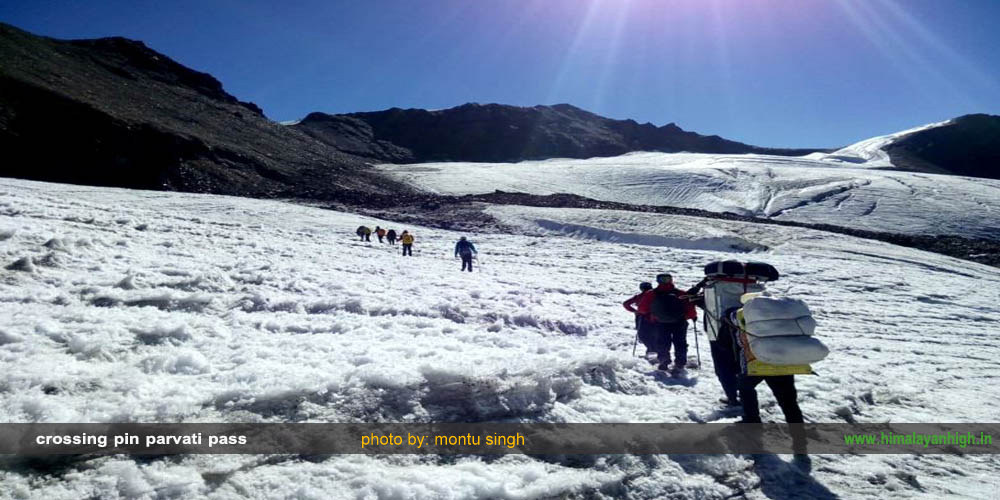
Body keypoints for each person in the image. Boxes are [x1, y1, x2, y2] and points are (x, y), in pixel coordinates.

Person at [639, 273, 697, 372]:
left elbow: (642, 309)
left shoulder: (651, 293)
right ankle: (680, 362)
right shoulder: (680, 293)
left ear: (658, 281)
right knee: (680, 342)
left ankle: (664, 361)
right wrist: (691, 317)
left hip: (660, 322)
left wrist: (652, 315)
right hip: (680, 322)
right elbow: (690, 308)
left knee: (663, 342)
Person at [623, 282, 655, 357]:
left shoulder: (639, 296)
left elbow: (626, 304)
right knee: (653, 335)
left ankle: (651, 349)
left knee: (643, 335)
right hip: (655, 318)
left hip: (641, 317)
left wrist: (634, 311)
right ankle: (652, 350)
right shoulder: (656, 295)